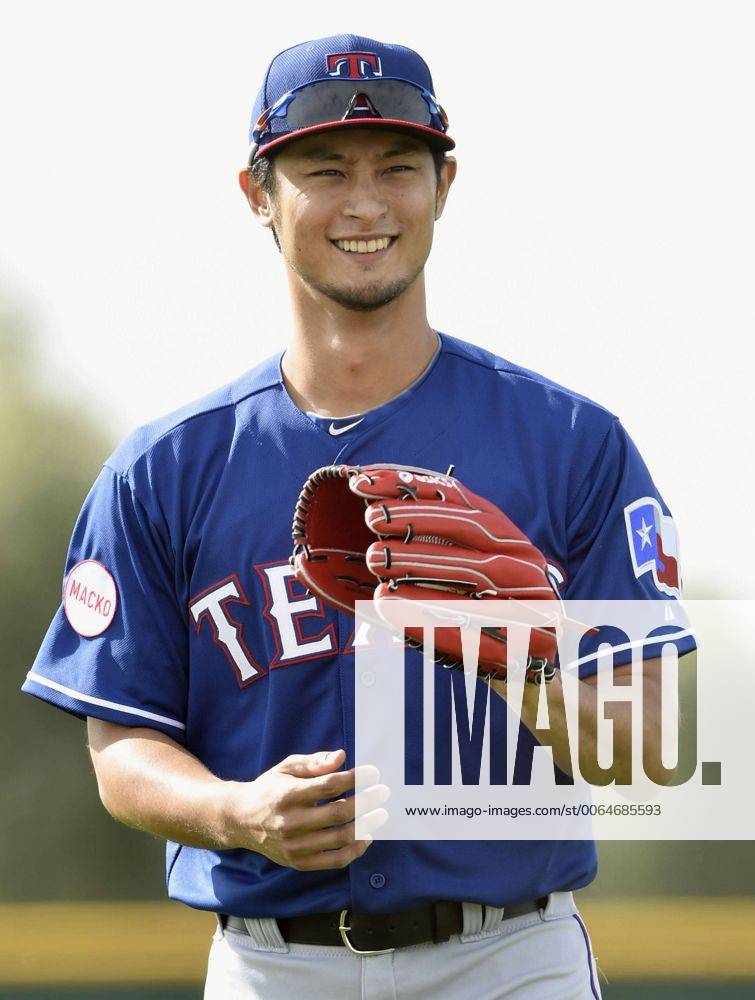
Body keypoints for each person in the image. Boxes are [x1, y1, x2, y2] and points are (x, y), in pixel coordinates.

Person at [23, 33, 695, 999]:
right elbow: (120, 751)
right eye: (324, 169)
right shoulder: (162, 470)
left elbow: (653, 749)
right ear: (257, 193)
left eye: (398, 167)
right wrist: (236, 812)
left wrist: (510, 649)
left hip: (507, 958)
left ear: (444, 185)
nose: (367, 203)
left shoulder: (569, 443)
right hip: (267, 961)